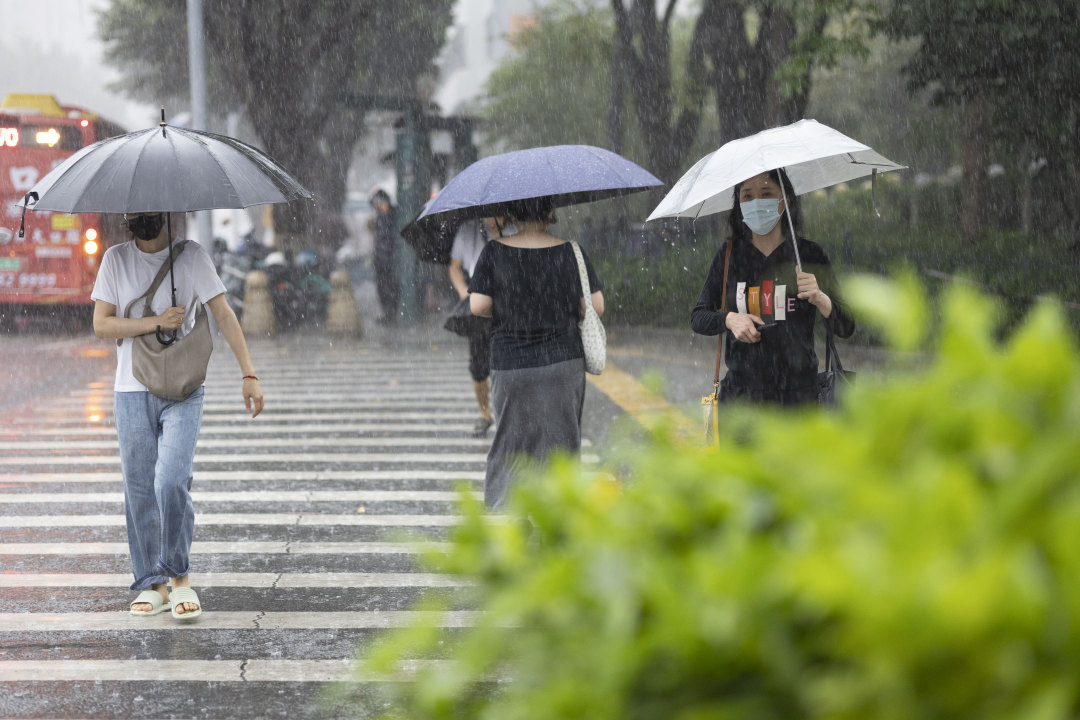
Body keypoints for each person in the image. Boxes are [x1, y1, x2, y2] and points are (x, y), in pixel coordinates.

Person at [91, 211, 264, 620]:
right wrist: (155, 321)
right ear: (128, 220)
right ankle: (151, 583)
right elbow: (101, 325)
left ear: (169, 216)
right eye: (138, 216)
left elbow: (223, 314)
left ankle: (179, 576)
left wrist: (249, 373)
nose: (145, 221)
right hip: (132, 389)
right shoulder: (115, 259)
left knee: (171, 481)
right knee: (139, 490)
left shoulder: (192, 257)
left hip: (184, 388)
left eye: (152, 214)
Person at [468, 200, 604, 509]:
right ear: (549, 214)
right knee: (562, 444)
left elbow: (477, 306)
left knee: (510, 445)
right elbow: (596, 307)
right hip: (562, 362)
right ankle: (560, 515)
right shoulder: (572, 251)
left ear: (512, 215)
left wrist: (512, 302)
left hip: (512, 364)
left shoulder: (494, 251)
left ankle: (505, 517)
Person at [690, 168, 855, 406]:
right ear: (739, 203)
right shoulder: (729, 255)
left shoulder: (809, 255)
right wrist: (729, 319)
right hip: (741, 401)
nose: (756, 202)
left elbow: (846, 326)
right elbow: (698, 317)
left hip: (799, 400)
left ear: (784, 201)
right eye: (747, 196)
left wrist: (820, 298)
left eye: (766, 193)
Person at [447, 218, 494, 437]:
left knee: (506, 359)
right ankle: (485, 414)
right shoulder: (467, 228)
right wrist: (463, 290)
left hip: (505, 296)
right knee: (477, 364)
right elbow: (454, 267)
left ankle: (506, 412)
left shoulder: (512, 224)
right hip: (477, 299)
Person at [370, 189, 400, 325]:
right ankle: (387, 313)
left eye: (381, 203)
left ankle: (391, 313)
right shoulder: (379, 217)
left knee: (390, 287)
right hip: (380, 258)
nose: (379, 206)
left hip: (389, 258)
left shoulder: (392, 216)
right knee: (382, 287)